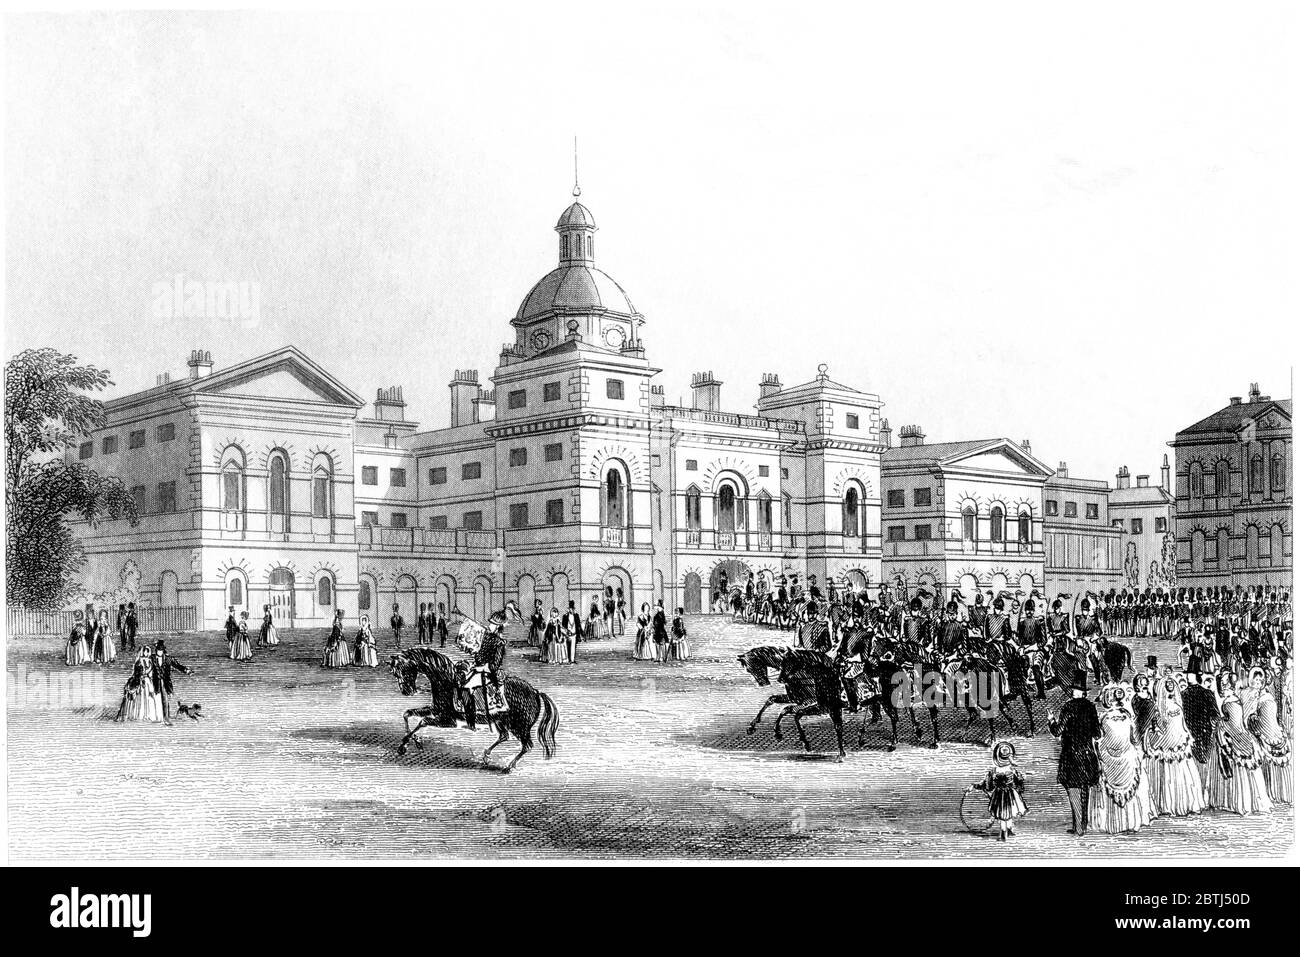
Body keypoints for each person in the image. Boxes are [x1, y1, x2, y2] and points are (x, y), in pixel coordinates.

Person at [1089, 684, 1153, 833]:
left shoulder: (1103, 718)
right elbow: (1134, 739)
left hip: (1109, 758)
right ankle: (1129, 821)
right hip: (1126, 758)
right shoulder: (1127, 718)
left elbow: (1098, 738)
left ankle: (1113, 824)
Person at [1205, 672, 1272, 815]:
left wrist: (1220, 724)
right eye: (1222, 682)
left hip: (1232, 734)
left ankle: (1237, 802)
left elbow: (1232, 721)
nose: (1223, 685)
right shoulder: (1232, 698)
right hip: (1234, 732)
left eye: (1225, 682)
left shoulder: (1230, 699)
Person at [1047, 669, 1101, 835]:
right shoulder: (1091, 707)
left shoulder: (1068, 707)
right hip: (1087, 754)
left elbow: (1057, 731)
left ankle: (1078, 827)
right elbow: (1097, 733)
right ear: (1084, 692)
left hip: (1071, 754)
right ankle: (1083, 824)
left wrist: (1051, 720)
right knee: (1085, 790)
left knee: (1073, 790)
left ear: (1073, 691)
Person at [1144, 675, 1206, 817]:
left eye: (1172, 684)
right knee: (1168, 771)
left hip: (1179, 739)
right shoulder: (1158, 708)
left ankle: (1186, 802)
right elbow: (1157, 726)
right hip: (1166, 743)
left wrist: (1186, 734)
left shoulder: (1177, 704)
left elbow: (1182, 723)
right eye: (1168, 684)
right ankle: (1168, 804)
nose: (1170, 686)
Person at [1244, 666, 1291, 804]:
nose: (1258, 682)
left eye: (1260, 680)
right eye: (1255, 680)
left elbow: (1267, 716)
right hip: (1260, 730)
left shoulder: (1266, 696)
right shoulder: (1251, 695)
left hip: (1268, 732)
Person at [968, 741, 1027, 842]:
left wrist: (974, 786)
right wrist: (1019, 791)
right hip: (1011, 795)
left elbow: (987, 785)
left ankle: (1004, 833)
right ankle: (1008, 830)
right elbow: (1020, 782)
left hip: (999, 795)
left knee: (1002, 814)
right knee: (1009, 812)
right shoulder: (1012, 770)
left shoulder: (994, 771)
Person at [1180, 656, 1220, 784]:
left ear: (1197, 675)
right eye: (1187, 675)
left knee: (1203, 762)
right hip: (1190, 731)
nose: (1188, 677)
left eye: (1190, 674)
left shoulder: (1206, 693)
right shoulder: (1183, 694)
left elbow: (1215, 713)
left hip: (1204, 731)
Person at [115, 646, 162, 723]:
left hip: (148, 681)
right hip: (140, 682)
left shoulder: (150, 661)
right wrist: (144, 674)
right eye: (144, 651)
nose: (145, 653)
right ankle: (138, 714)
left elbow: (152, 672)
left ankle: (147, 715)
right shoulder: (139, 661)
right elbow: (138, 673)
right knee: (140, 698)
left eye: (147, 651)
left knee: (148, 697)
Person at [150, 639, 190, 726]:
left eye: (160, 651)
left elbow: (177, 665)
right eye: (157, 650)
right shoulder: (152, 658)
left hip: (165, 682)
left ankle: (166, 718)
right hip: (154, 682)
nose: (159, 652)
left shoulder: (168, 658)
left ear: (163, 651)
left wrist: (186, 670)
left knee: (165, 700)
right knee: (154, 699)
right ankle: (155, 717)